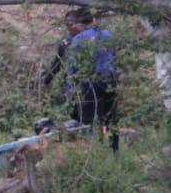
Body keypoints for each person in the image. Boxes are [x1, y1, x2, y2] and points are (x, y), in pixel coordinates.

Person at [41, 8, 119, 136]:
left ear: (79, 24)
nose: (69, 28)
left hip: (91, 84)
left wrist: (70, 91)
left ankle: (95, 147)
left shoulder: (78, 39)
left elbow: (73, 68)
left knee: (90, 121)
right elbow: (114, 58)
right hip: (111, 80)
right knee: (110, 119)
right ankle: (112, 147)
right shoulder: (106, 34)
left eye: (70, 24)